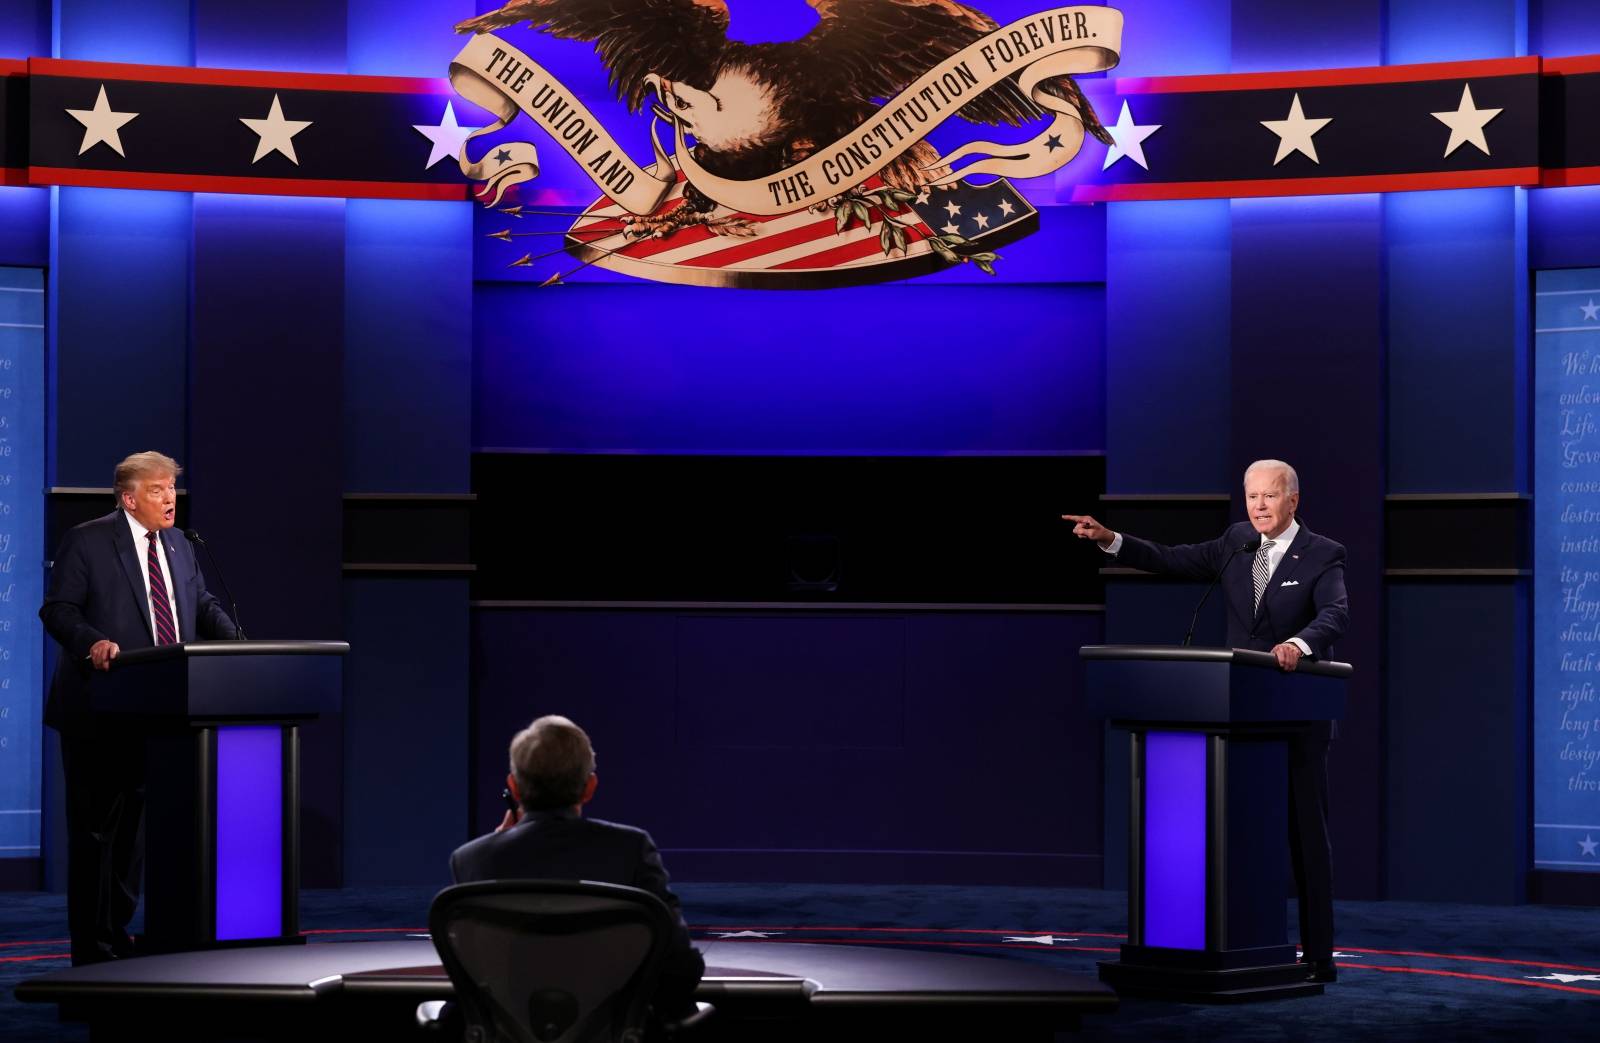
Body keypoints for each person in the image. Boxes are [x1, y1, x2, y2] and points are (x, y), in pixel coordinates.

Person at [1063, 459, 1348, 984]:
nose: (1259, 506)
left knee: (1306, 836)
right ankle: (1229, 942)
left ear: (1293, 501)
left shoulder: (1324, 554)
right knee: (1232, 834)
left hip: (1295, 716)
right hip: (1234, 715)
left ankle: (1319, 955)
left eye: (1269, 496)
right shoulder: (1237, 543)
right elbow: (1172, 560)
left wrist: (1299, 644)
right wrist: (1112, 540)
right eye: (1252, 496)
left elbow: (1335, 615)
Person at [39, 451, 241, 965]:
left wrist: (239, 643)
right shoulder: (87, 540)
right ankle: (93, 947)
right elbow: (58, 608)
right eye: (158, 490)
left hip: (162, 712)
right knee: (97, 835)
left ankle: (119, 933)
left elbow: (201, 606)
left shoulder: (179, 545)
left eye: (172, 488)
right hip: (100, 709)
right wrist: (93, 643)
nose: (170, 498)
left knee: (132, 840)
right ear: (129, 498)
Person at [450, 715, 705, 1017]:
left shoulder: (471, 860)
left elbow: (470, 972)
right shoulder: (631, 849)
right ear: (590, 787)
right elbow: (681, 968)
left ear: (514, 788)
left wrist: (491, 853)